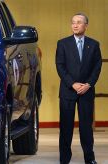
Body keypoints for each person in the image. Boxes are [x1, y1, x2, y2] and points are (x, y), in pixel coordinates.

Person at [55, 13, 102, 164]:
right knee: (66, 128)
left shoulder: (94, 44)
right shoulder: (63, 43)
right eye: (73, 22)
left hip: (86, 92)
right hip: (68, 91)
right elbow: (60, 66)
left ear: (86, 26)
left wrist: (88, 84)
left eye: (79, 22)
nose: (75, 25)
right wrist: (73, 84)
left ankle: (90, 159)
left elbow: (97, 66)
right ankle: (64, 160)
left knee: (86, 128)